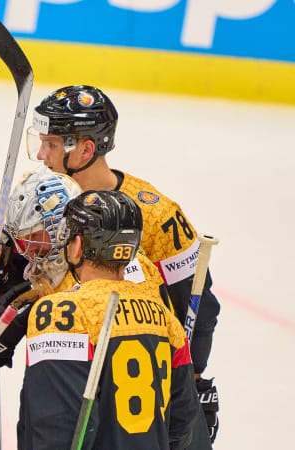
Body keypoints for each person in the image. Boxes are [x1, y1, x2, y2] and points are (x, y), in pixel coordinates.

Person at [28, 85, 220, 445]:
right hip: (70, 376)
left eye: (51, 144)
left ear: (85, 150)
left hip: (142, 387)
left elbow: (198, 308)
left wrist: (189, 384)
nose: (40, 155)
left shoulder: (156, 216)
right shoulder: (42, 206)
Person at [0, 167, 172, 448]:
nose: (26, 250)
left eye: (34, 236)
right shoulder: (128, 266)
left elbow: (56, 418)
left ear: (67, 235)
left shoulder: (65, 306)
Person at [22, 190, 200, 449]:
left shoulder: (61, 312)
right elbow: (182, 421)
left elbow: (57, 426)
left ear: (79, 245)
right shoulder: (164, 317)